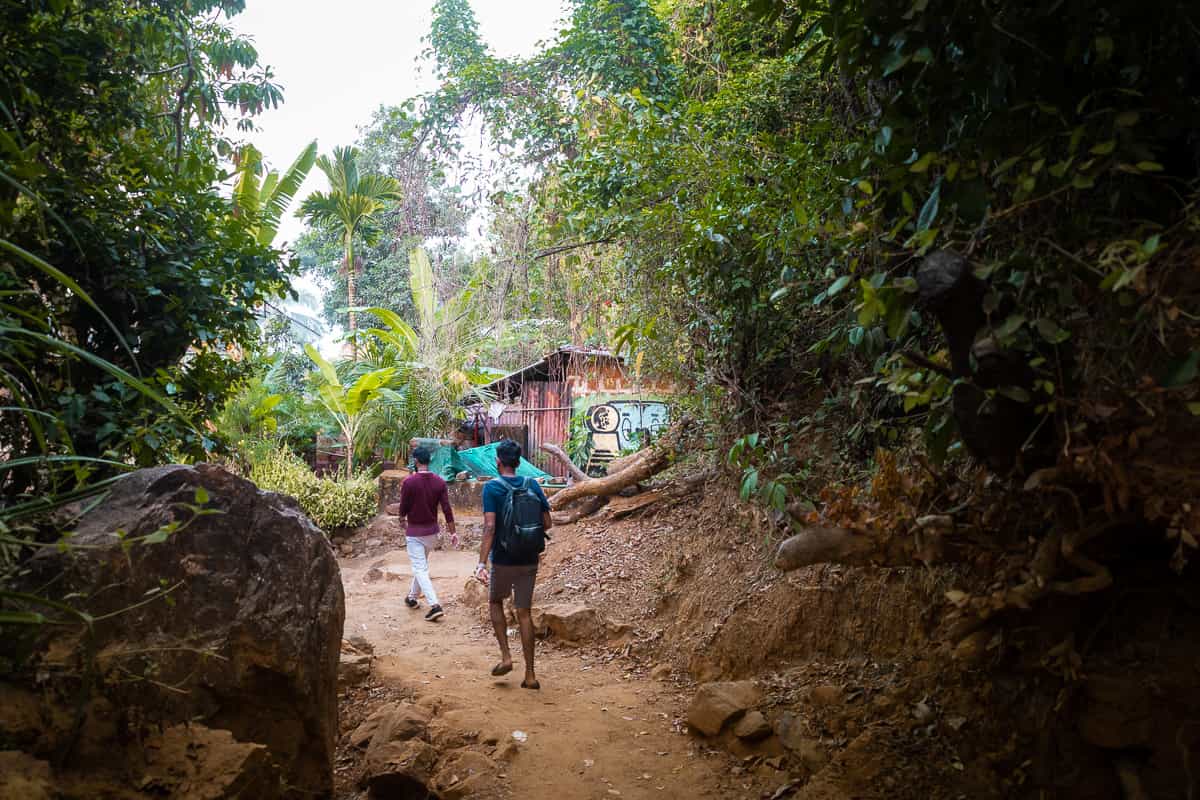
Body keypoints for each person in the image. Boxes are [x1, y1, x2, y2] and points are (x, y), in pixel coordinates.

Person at [475, 439, 552, 689]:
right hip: (529, 558)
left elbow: (490, 527)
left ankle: (507, 657)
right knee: (524, 612)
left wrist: (481, 562)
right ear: (518, 462)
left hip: (504, 559)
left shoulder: (492, 488)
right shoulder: (531, 484)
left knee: (495, 602)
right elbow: (547, 523)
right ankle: (530, 675)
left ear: (498, 461)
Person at [398, 446, 458, 622]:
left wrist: (401, 519)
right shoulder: (439, 482)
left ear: (416, 461)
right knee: (421, 566)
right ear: (428, 461)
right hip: (432, 533)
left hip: (415, 532)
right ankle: (412, 598)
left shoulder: (409, 482)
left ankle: (435, 605)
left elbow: (404, 506)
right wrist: (453, 533)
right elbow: (447, 509)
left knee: (420, 568)